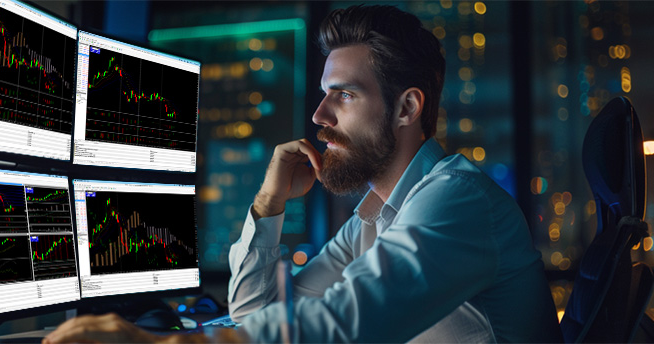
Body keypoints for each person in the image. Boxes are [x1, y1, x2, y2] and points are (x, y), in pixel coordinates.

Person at [43, 5, 562, 344]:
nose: (319, 116)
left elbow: (345, 325)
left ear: (407, 108)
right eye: (323, 94)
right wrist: (268, 206)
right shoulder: (371, 222)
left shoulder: (457, 199)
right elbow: (254, 314)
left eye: (345, 95)